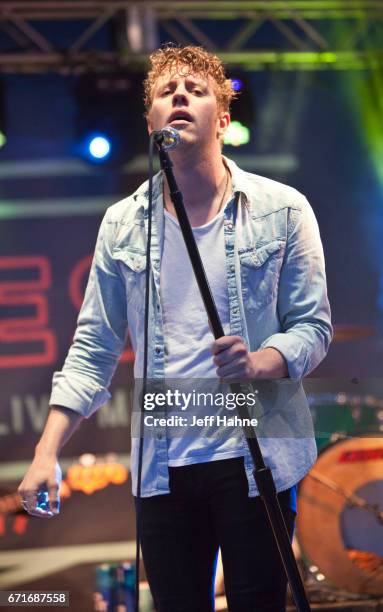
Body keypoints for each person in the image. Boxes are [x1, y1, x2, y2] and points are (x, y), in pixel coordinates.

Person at [18, 45, 332, 611]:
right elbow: (93, 347)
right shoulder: (121, 225)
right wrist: (46, 453)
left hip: (258, 452)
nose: (180, 96)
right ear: (151, 121)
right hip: (165, 465)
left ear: (225, 117)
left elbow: (313, 324)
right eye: (166, 91)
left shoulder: (284, 209)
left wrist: (265, 361)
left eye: (196, 88)